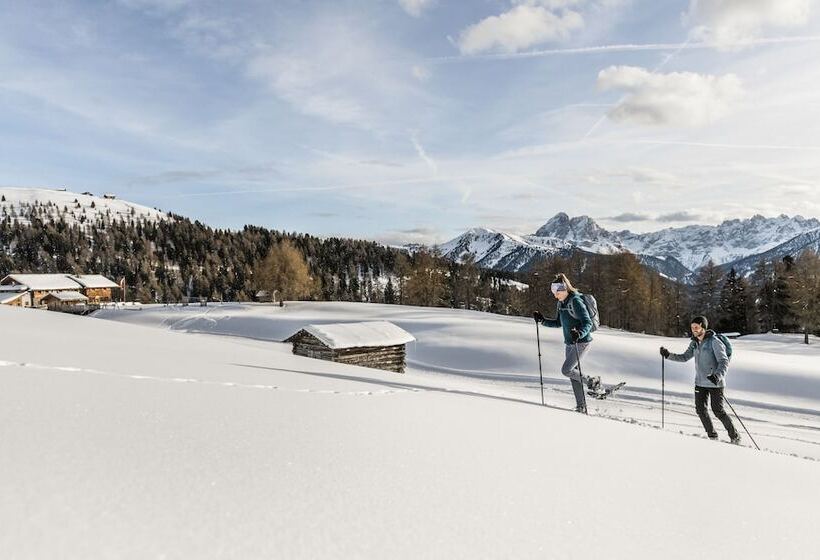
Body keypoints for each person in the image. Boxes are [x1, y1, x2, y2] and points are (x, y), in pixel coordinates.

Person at [660, 316, 741, 444]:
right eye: (692, 328)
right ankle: (712, 436)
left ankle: (735, 436)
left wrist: (717, 376)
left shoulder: (714, 342)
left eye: (696, 327)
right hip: (700, 382)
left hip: (715, 382)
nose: (694, 330)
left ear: (703, 327)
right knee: (700, 410)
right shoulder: (694, 343)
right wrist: (668, 355)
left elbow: (723, 361)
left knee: (718, 411)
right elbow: (685, 357)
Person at [533, 273, 600, 413]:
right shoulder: (561, 303)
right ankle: (581, 406)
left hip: (581, 342)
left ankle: (592, 381)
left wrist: (579, 333)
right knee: (573, 376)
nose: (555, 295)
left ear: (563, 289)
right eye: (553, 292)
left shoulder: (575, 301)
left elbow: (587, 322)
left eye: (556, 292)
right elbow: (559, 322)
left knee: (567, 370)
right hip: (569, 343)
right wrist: (543, 320)